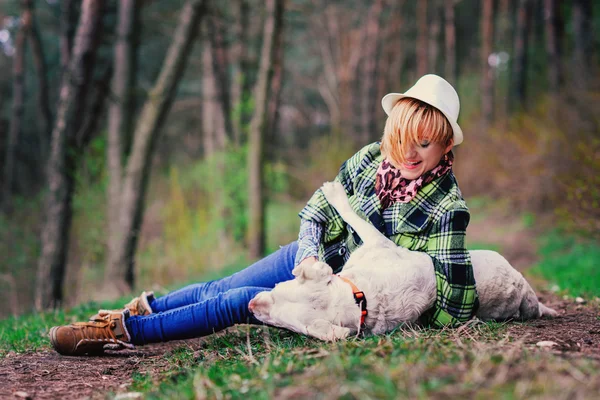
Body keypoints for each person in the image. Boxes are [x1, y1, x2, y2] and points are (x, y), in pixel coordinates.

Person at [49, 74, 479, 356]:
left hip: (344, 302)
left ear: (445, 147)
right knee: (223, 285)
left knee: (239, 301)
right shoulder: (371, 158)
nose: (408, 153)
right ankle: (140, 309)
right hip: (315, 258)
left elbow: (454, 301)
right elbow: (318, 208)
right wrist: (308, 255)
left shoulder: (447, 208)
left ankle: (122, 333)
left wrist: (395, 320)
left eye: (424, 144)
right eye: (402, 138)